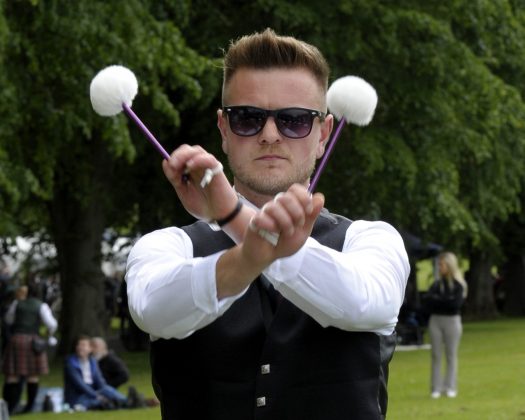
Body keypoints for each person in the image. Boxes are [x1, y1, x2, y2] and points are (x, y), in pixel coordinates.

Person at [126, 28, 410, 420]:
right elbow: (154, 310)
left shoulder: (371, 240)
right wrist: (242, 246)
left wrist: (232, 218)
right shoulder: (166, 246)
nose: (270, 135)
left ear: (324, 133)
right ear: (224, 130)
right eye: (248, 119)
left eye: (294, 120)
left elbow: (363, 302)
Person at [2, 283, 57, 414]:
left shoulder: (17, 303)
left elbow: (8, 320)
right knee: (33, 376)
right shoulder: (41, 306)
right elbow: (52, 324)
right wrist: (49, 334)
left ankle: (8, 408)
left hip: (17, 339)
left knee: (12, 376)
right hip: (33, 341)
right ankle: (29, 408)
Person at [423, 252, 467, 399]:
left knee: (451, 355)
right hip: (436, 321)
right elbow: (428, 301)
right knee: (436, 354)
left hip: (452, 321)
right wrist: (443, 300)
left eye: (442, 264)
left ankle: (450, 387)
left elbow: (455, 305)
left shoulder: (458, 285)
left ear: (449, 265)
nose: (439, 267)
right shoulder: (436, 284)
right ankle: (436, 387)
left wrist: (440, 301)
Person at [64, 335, 131, 410]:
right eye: (78, 345)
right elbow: (80, 385)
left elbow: (100, 382)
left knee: (107, 389)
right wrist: (96, 395)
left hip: (93, 393)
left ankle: (128, 402)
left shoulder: (92, 361)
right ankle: (116, 403)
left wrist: (103, 391)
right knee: (97, 402)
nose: (80, 347)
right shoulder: (70, 362)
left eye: (83, 345)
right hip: (78, 397)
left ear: (90, 349)